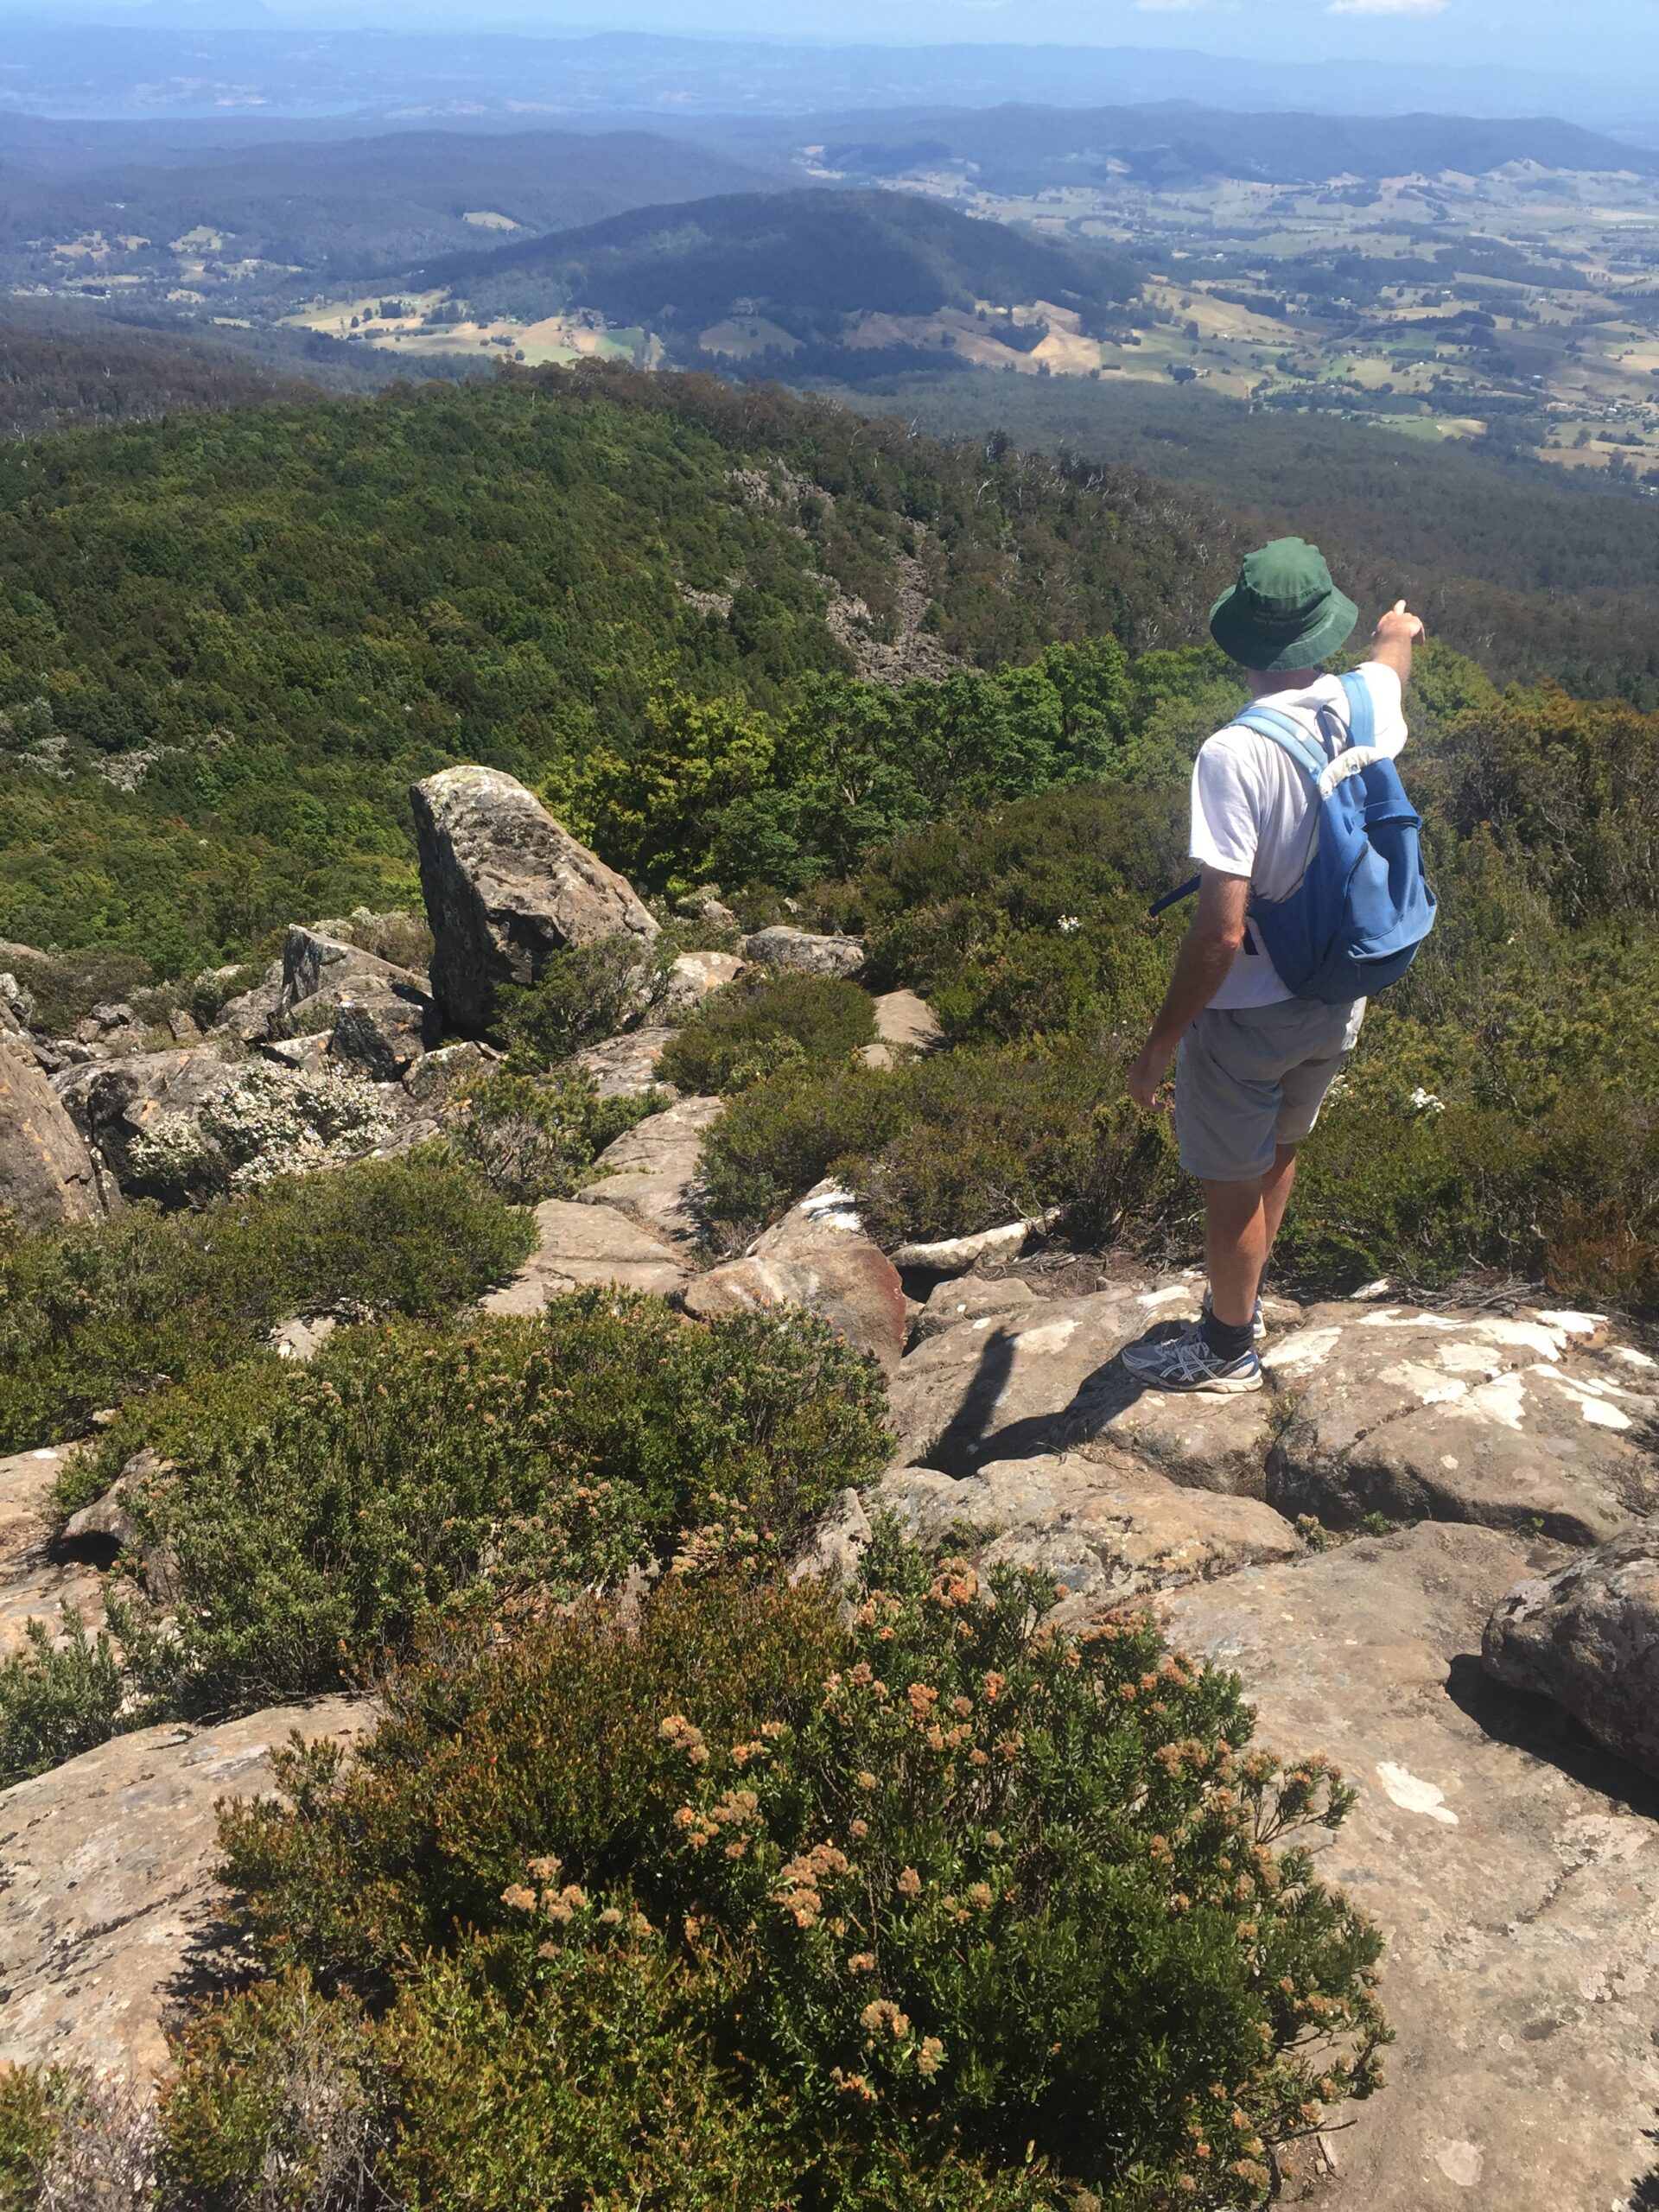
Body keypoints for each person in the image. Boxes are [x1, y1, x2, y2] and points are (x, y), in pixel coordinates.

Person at [1122, 537, 1425, 1394]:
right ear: (1326, 630)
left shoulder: (1234, 754)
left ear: (1243, 642)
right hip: (1339, 990)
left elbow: (1220, 933)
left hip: (1249, 1014)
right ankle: (1245, 1306)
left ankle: (1225, 1350)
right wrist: (1401, 627)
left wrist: (1157, 1048)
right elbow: (1391, 659)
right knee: (1280, 1149)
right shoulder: (1367, 703)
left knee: (1230, 1182)